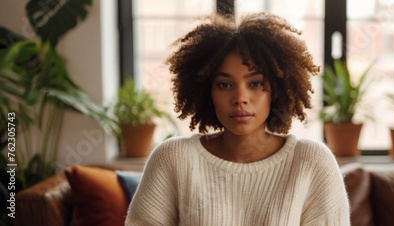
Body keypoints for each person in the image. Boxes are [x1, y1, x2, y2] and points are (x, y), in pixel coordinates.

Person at [125, 12, 350, 226]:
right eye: (225, 85)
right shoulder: (173, 158)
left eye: (255, 83)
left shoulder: (311, 162)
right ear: (207, 92)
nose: (240, 98)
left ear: (277, 90)